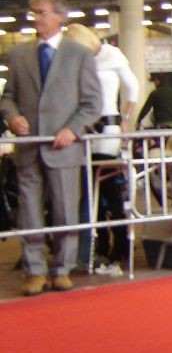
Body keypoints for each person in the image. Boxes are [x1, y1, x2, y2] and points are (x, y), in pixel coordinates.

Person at [0, 0, 101, 295]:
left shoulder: (79, 55)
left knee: (65, 210)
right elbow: (8, 97)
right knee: (28, 212)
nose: (36, 18)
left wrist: (72, 129)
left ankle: (62, 268)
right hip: (29, 147)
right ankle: (34, 271)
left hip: (65, 148)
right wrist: (13, 117)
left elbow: (92, 103)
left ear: (60, 16)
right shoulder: (19, 54)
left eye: (41, 12)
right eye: (33, 13)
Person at [65, 24, 139, 269]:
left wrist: (127, 121)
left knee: (107, 187)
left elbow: (133, 87)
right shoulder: (82, 61)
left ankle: (119, 244)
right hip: (89, 130)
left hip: (109, 129)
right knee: (91, 190)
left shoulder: (112, 54)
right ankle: (103, 246)